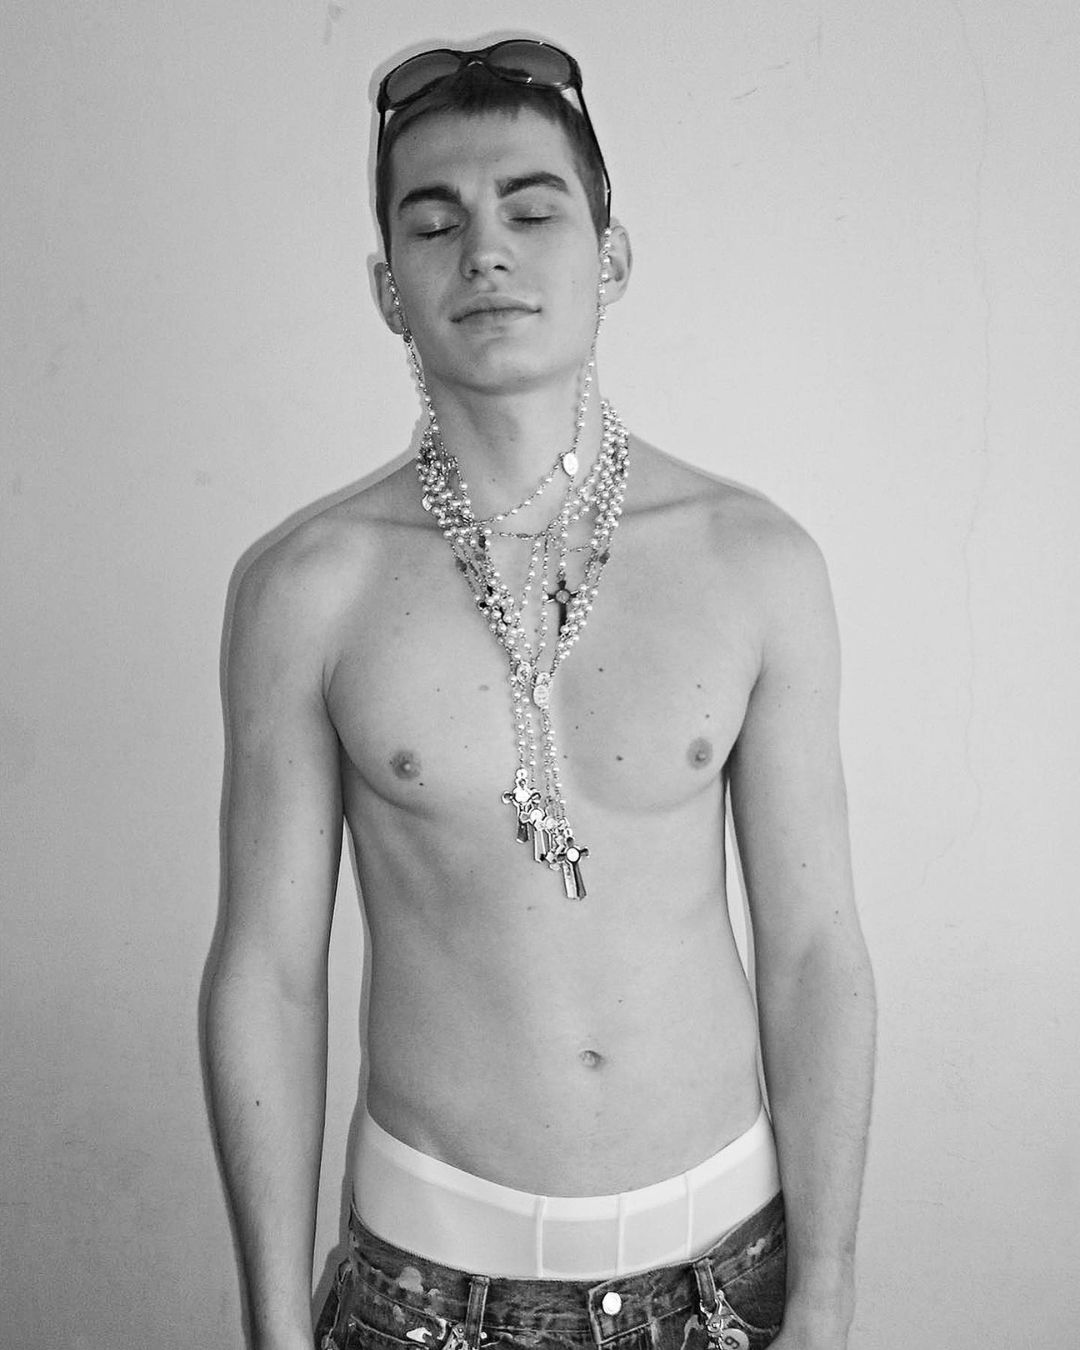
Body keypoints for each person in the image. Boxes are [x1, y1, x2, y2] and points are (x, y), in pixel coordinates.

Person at [205, 37, 876, 1350]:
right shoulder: (307, 588)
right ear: (389, 289)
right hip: (426, 1294)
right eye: (434, 223)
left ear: (609, 256)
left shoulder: (755, 562)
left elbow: (814, 950)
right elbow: (269, 974)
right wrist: (277, 1328)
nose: (485, 254)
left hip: (728, 1283)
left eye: (531, 210)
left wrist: (831, 1290)